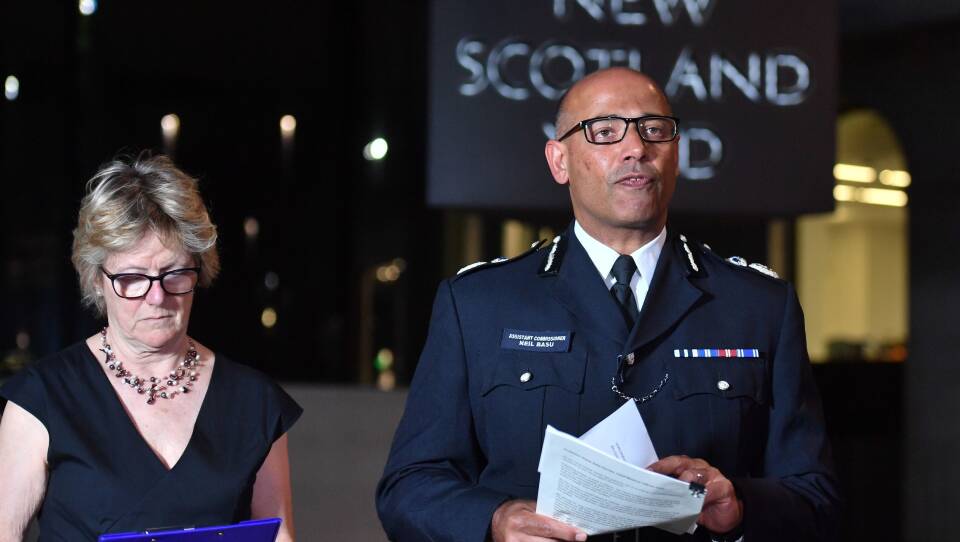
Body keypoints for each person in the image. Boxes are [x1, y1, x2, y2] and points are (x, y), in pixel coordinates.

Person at [376, 67, 840, 542]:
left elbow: (815, 497)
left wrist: (740, 506)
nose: (636, 148)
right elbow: (408, 488)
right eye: (604, 132)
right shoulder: (478, 304)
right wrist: (493, 521)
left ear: (676, 154)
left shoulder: (758, 305)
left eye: (654, 130)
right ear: (559, 161)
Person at [0, 155, 301, 541]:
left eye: (174, 273)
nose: (157, 296)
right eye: (132, 277)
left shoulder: (255, 402)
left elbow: (280, 537)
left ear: (200, 269)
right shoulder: (42, 398)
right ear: (95, 280)